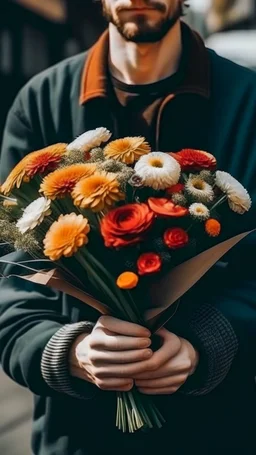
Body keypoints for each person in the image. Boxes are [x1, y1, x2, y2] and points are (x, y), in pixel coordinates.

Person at [0, 1, 256, 454]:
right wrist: (65, 350)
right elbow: (11, 278)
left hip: (220, 429)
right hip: (77, 434)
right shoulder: (40, 102)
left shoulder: (248, 103)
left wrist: (211, 339)